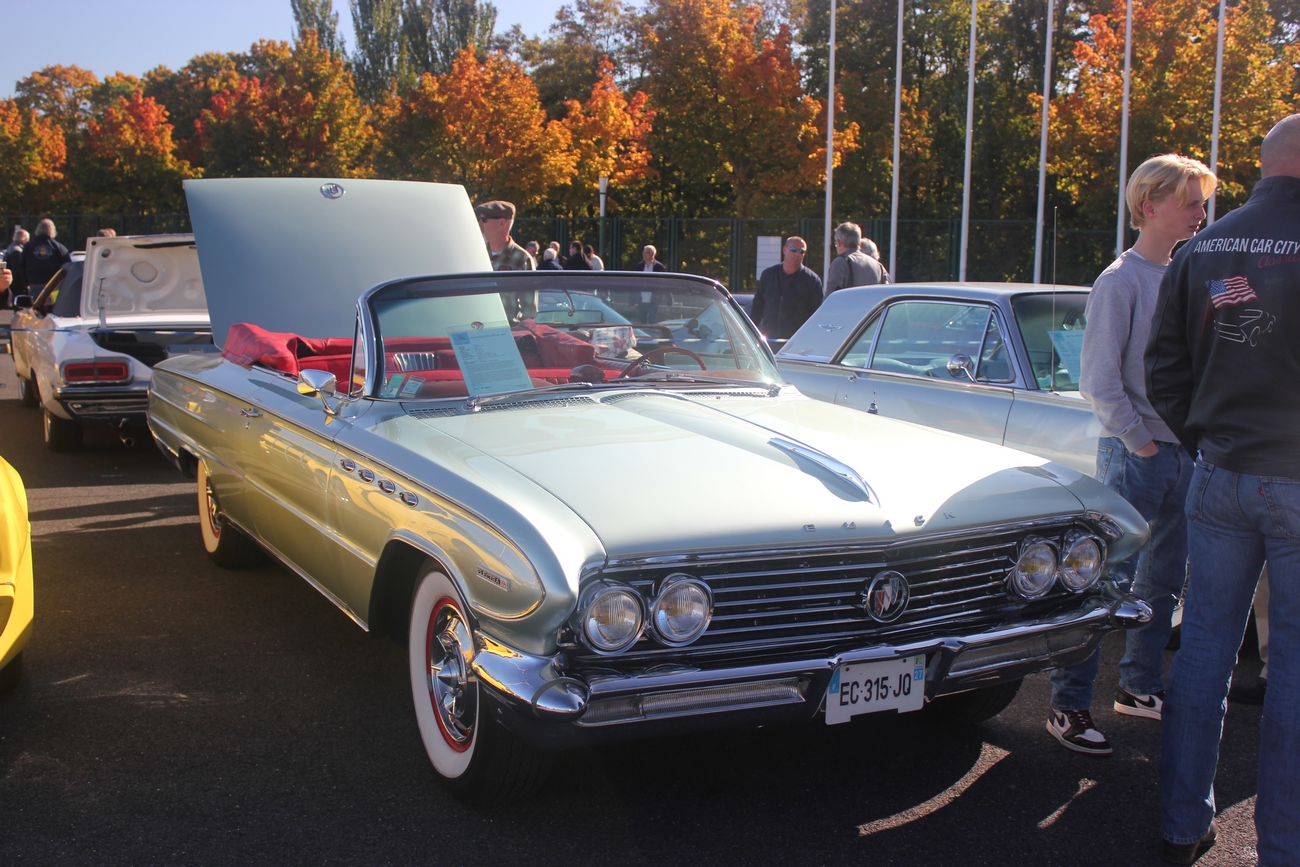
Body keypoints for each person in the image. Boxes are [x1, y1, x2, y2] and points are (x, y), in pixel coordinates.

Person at [1146, 114, 1300, 866]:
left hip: (1219, 472)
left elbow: (1163, 368)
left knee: (1204, 647)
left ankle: (1182, 822)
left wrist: (1206, 440)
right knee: (1292, 668)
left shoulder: (1201, 248)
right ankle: (1284, 846)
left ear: (1264, 164)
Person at [1045, 154, 1216, 758]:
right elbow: (1098, 379)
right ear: (1150, 205)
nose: (1201, 214)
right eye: (1190, 202)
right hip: (1135, 454)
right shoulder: (1119, 281)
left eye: (1202, 203)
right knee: (1105, 585)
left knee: (1163, 580)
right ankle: (1067, 706)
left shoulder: (1186, 273)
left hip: (1182, 452)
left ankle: (1139, 688)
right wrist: (1141, 442)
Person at [751, 236, 823, 340]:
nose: (797, 254)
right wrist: (750, 334)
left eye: (801, 251)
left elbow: (816, 315)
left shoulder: (812, 280)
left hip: (796, 341)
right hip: (768, 340)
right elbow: (757, 308)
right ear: (784, 249)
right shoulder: (768, 275)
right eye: (793, 249)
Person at [824, 222, 887, 295]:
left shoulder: (840, 262)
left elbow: (831, 295)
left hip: (850, 302)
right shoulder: (878, 265)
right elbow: (885, 293)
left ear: (839, 242)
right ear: (859, 243)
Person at [12, 219, 70, 295]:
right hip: (54, 285)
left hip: (34, 283)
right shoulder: (59, 247)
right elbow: (68, 267)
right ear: (52, 230)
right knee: (52, 302)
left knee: (36, 302)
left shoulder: (28, 246)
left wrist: (26, 282)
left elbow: (21, 265)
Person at [475, 200, 535, 271]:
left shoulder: (523, 259)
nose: (480, 223)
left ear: (501, 222)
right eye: (479, 219)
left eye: (484, 219)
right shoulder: (476, 254)